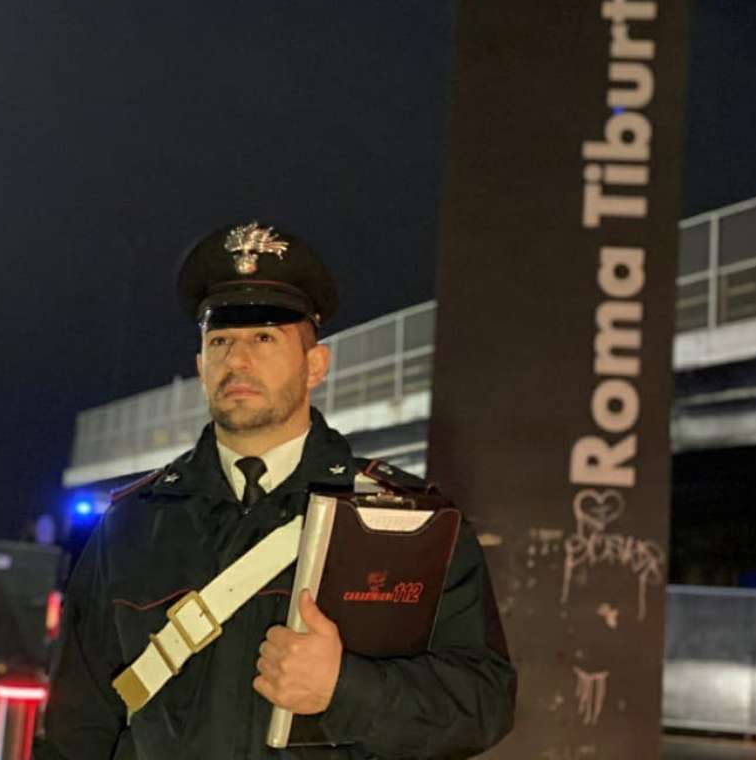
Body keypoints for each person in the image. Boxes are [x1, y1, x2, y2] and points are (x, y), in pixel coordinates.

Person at [37, 222, 516, 759]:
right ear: (199, 366)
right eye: (220, 341)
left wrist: (346, 688)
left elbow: (485, 702)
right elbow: (75, 727)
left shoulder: (404, 521)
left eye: (265, 338)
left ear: (316, 365)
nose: (237, 361)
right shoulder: (131, 524)